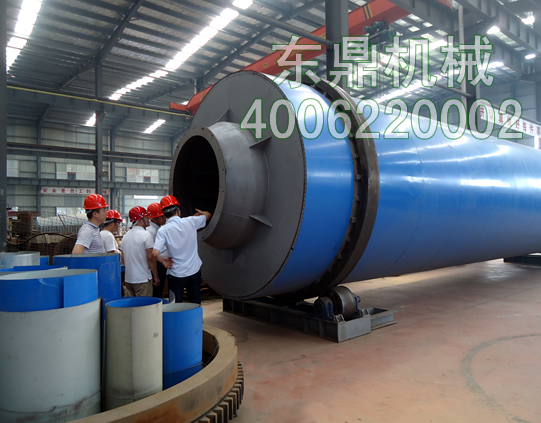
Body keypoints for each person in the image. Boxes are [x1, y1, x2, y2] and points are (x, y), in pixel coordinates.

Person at [153, 195, 211, 304]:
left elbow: (155, 252)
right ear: (178, 210)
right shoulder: (191, 221)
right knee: (195, 302)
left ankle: (177, 315)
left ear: (164, 215)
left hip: (176, 273)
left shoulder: (163, 230)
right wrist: (201, 213)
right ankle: (195, 315)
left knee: (175, 304)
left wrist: (163, 261)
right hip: (193, 270)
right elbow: (208, 215)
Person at [122, 206, 159, 297]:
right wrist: (156, 276)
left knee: (132, 304)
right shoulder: (146, 235)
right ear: (140, 220)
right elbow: (150, 257)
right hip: (142, 279)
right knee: (144, 305)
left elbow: (123, 259)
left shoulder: (126, 236)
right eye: (146, 217)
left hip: (129, 279)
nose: (149, 219)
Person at [146, 202, 169, 298]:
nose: (165, 218)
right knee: (157, 292)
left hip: (158, 264)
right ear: (155, 218)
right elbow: (152, 254)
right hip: (157, 265)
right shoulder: (152, 231)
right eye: (162, 216)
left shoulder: (154, 229)